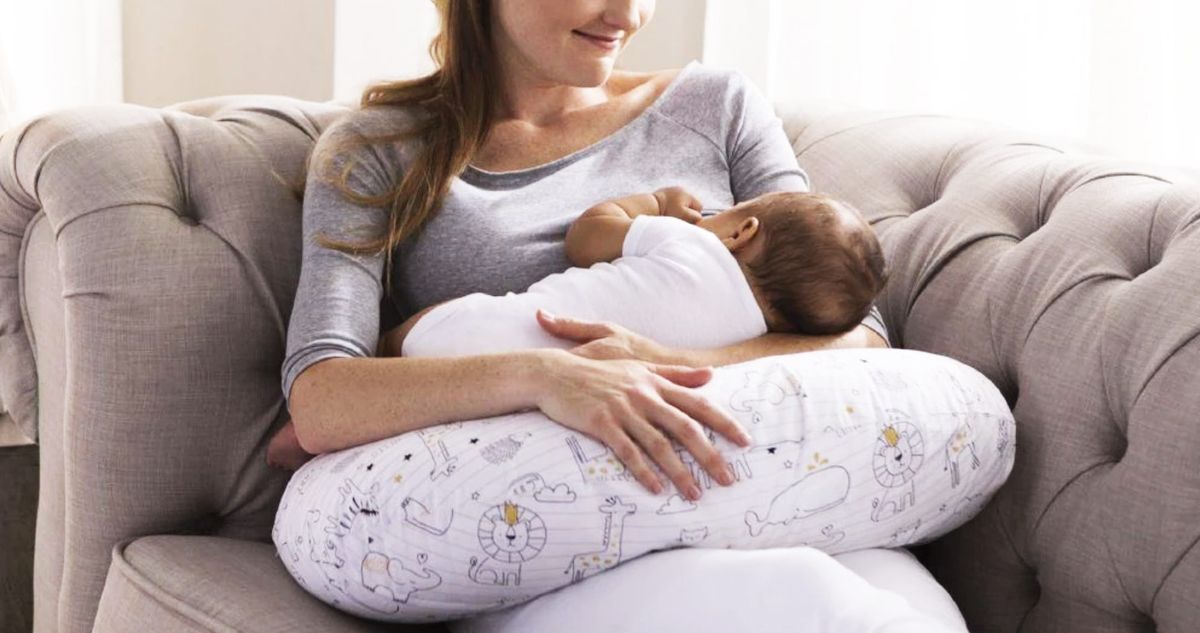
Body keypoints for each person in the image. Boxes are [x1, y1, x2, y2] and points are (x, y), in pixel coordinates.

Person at [278, 1, 970, 631]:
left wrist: (663, 363)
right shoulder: (380, 152)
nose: (631, 14)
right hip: (543, 534)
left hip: (736, 484)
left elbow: (856, 338)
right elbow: (322, 397)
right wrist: (548, 375)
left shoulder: (716, 105)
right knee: (813, 600)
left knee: (916, 615)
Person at [268, 186, 887, 472]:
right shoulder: (760, 335)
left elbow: (588, 235)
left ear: (741, 231)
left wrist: (651, 207)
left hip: (480, 339)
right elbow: (843, 335)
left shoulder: (691, 243)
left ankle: (303, 442)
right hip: (551, 409)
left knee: (404, 339)